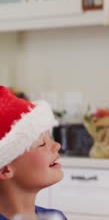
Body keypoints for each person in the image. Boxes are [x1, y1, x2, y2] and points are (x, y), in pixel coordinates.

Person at [0, 86, 67, 220]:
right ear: (5, 169)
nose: (57, 146)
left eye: (51, 138)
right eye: (42, 143)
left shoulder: (57, 217)